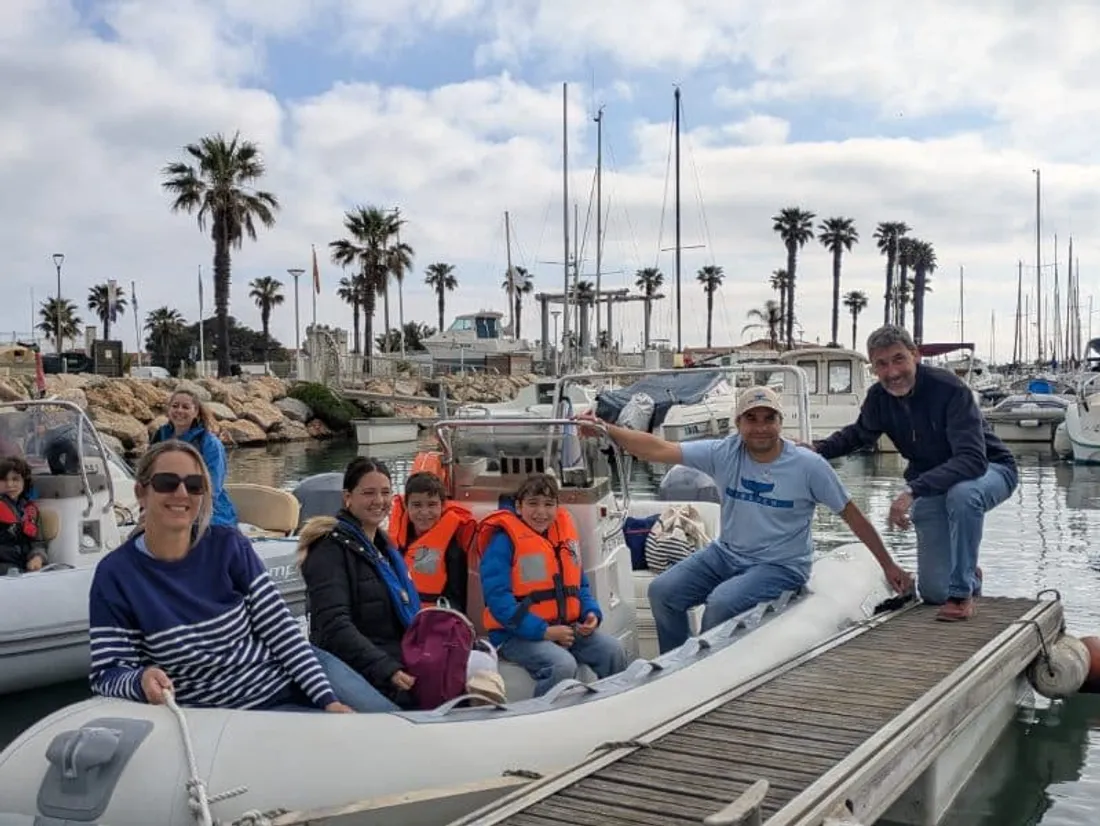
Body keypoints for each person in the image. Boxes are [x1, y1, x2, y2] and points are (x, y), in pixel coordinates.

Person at [578, 385, 912, 654]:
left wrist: (887, 565)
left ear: (781, 422)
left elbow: (853, 516)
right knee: (663, 592)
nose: (761, 427)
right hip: (727, 553)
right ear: (738, 423)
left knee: (720, 604)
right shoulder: (725, 452)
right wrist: (606, 430)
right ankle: (676, 664)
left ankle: (707, 672)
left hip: (781, 566)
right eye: (751, 418)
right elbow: (657, 450)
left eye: (770, 418)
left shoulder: (809, 466)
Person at [87, 440, 372, 712]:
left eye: (194, 485)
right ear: (140, 492)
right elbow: (107, 673)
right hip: (217, 719)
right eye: (166, 483)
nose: (182, 493)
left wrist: (326, 699)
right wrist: (139, 680)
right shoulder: (116, 575)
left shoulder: (227, 546)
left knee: (382, 722)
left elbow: (281, 631)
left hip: (282, 684)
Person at [808, 324, 1018, 621]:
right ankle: (969, 575)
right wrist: (818, 449)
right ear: (873, 368)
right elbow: (859, 434)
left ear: (915, 355)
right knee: (933, 593)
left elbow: (972, 460)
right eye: (881, 364)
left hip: (991, 469)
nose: (892, 372)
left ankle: (961, 595)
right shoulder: (879, 398)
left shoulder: (950, 389)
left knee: (963, 494)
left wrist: (912, 491)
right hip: (933, 483)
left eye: (898, 359)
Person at [479, 473, 628, 696]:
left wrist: (590, 613)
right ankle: (543, 720)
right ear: (518, 507)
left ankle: (615, 706)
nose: (541, 512)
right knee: (562, 664)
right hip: (515, 636)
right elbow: (500, 603)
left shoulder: (563, 536)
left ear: (557, 507)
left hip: (565, 628)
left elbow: (580, 585)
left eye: (549, 504)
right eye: (533, 504)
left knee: (612, 651)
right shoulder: (503, 542)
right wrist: (545, 632)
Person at [298, 458, 417, 712]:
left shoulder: (384, 549)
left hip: (389, 657)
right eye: (368, 493)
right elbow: (334, 625)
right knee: (399, 717)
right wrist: (387, 669)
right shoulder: (328, 549)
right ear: (348, 497)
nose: (379, 501)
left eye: (385, 493)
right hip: (349, 663)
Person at [389, 470, 477, 614]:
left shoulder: (452, 550)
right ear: (406, 506)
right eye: (417, 505)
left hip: (434, 619)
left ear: (442, 507)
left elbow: (457, 598)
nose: (424, 512)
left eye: (431, 505)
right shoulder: (395, 540)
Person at [150, 389, 237, 527]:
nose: (179, 410)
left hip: (209, 510)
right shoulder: (160, 437)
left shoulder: (210, 443)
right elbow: (148, 473)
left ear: (196, 412)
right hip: (168, 503)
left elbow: (213, 487)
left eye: (185, 407)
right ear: (169, 409)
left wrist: (187, 509)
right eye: (175, 406)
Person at [0, 456, 47, 575]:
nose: (10, 484)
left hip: (24, 567)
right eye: (4, 480)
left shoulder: (29, 509)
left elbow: (38, 543)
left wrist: (38, 557)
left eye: (15, 479)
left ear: (24, 482)